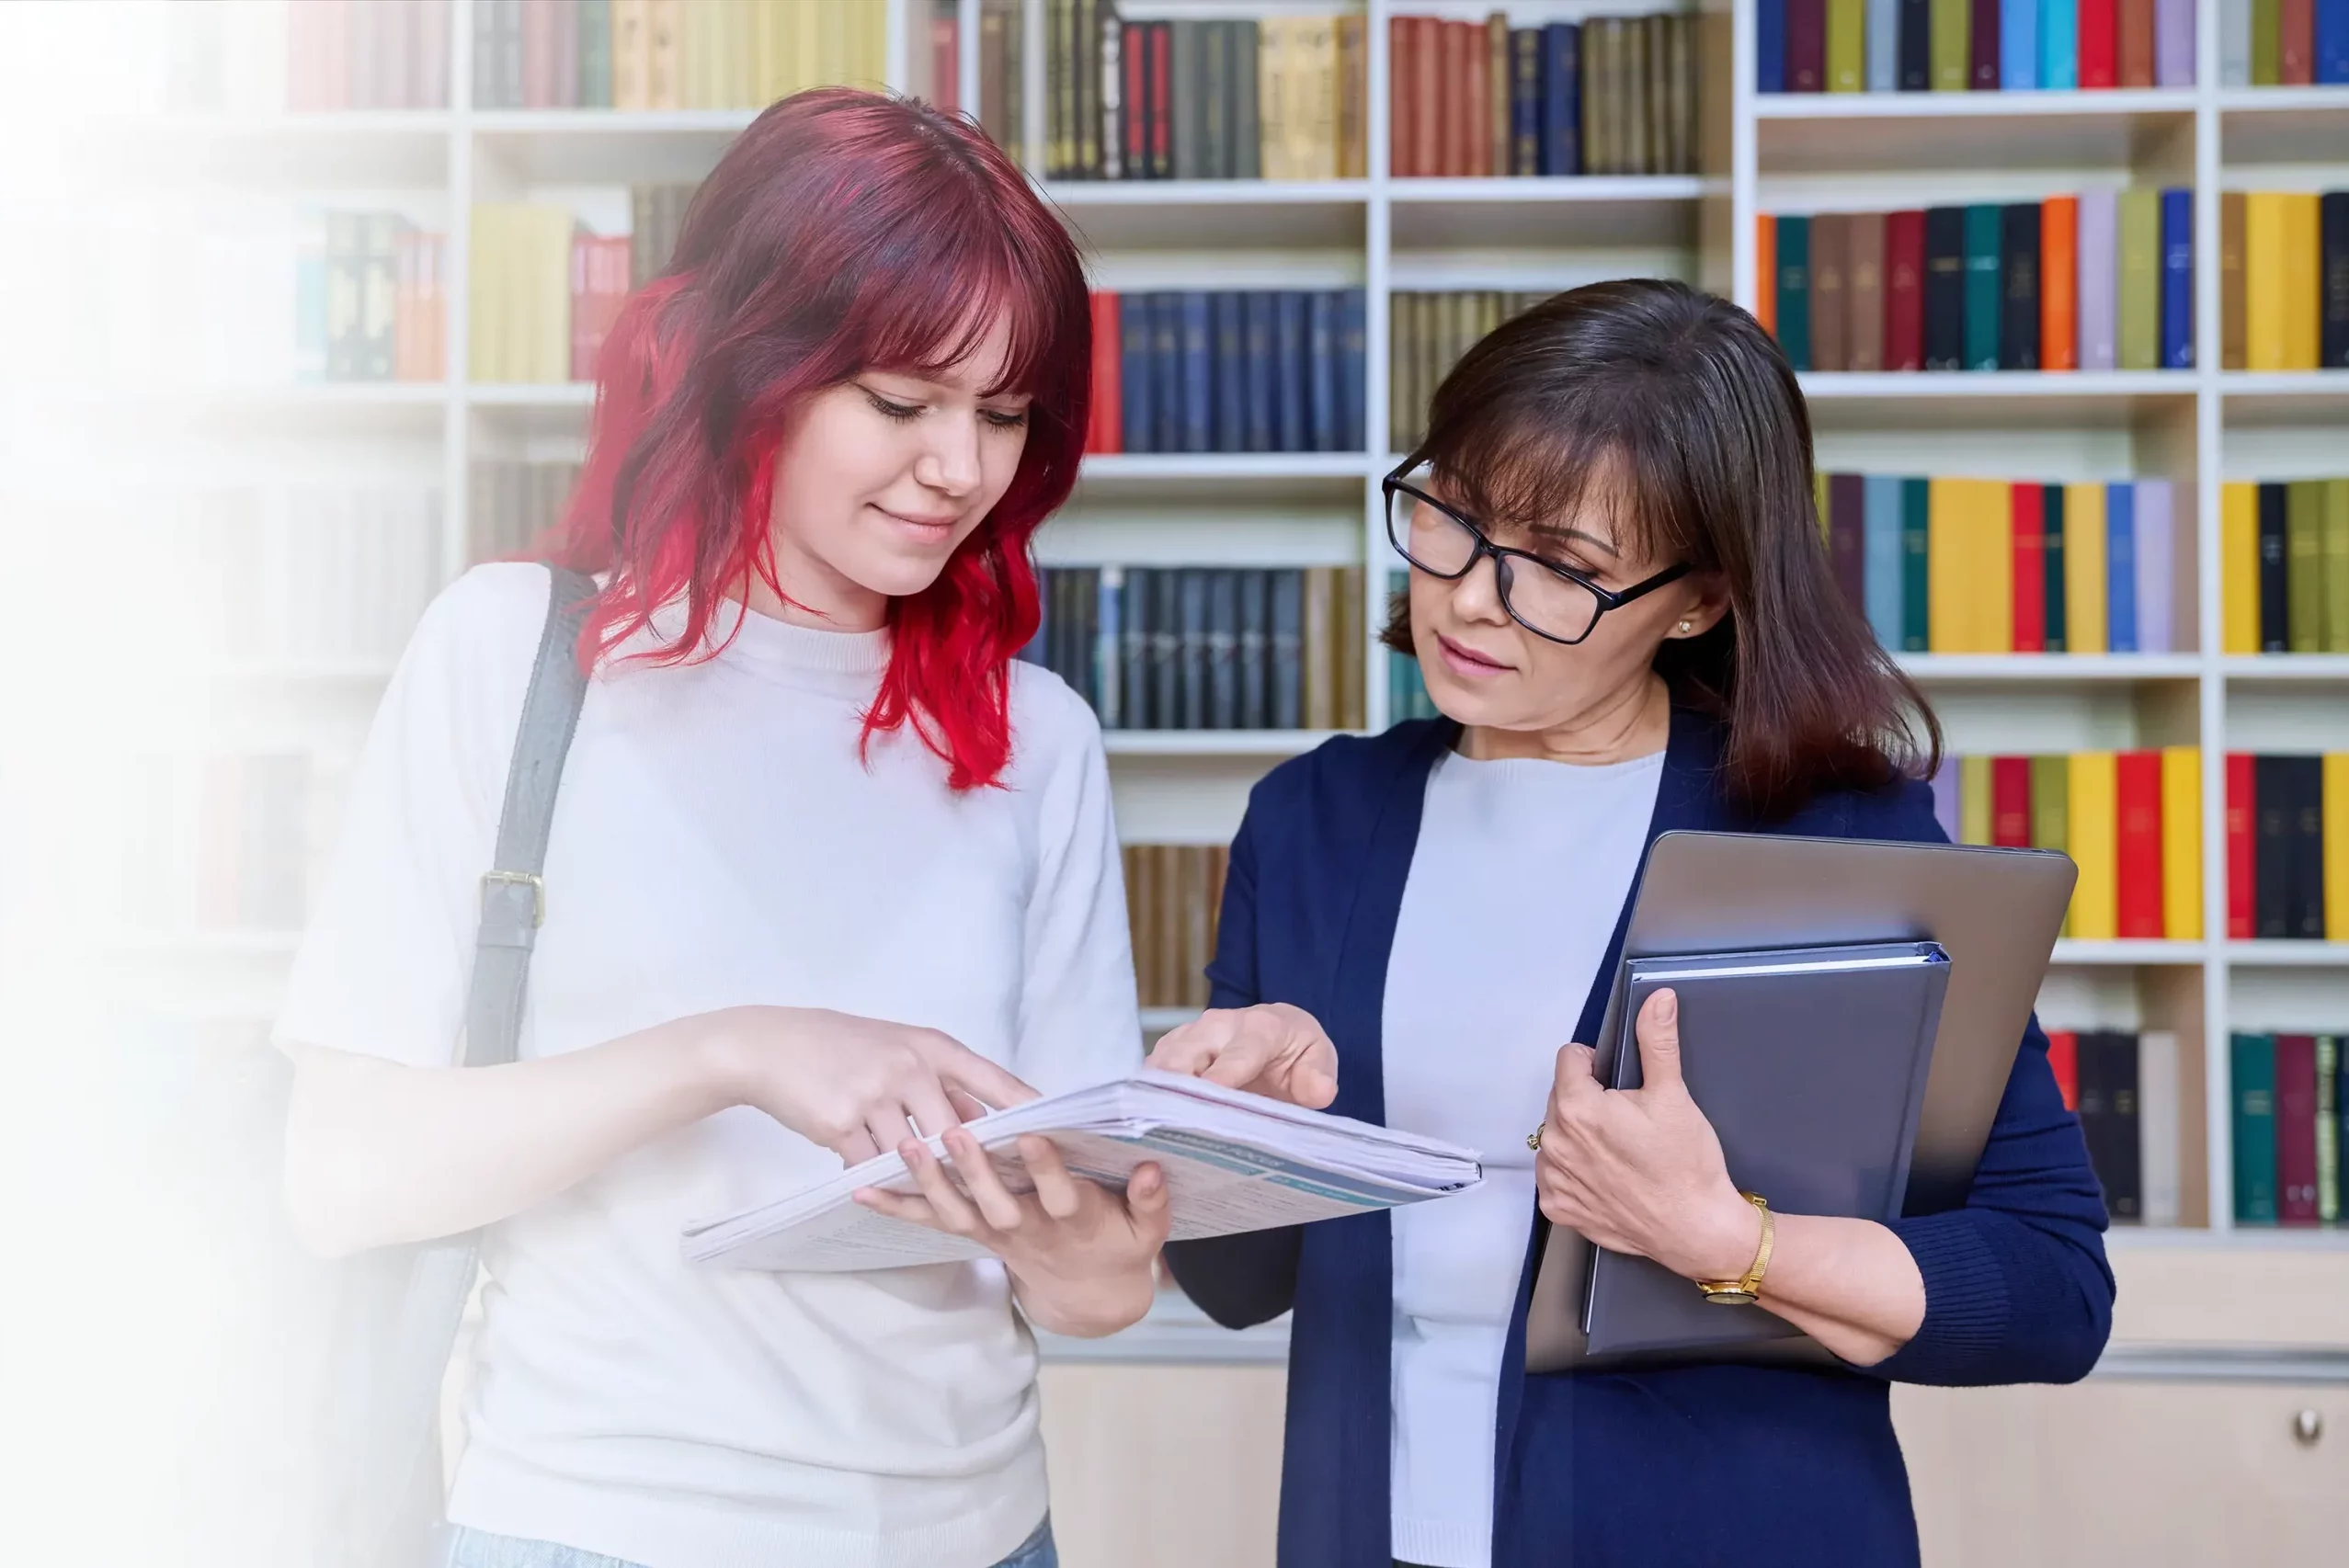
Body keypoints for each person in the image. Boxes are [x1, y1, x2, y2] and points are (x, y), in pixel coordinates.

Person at [276, 89, 1163, 1568]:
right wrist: (733, 1050)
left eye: (1004, 414)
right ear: (750, 368)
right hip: (596, 1524)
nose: (962, 467)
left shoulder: (1039, 741)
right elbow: (343, 1176)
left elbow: (1088, 1295)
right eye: (899, 401)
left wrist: (1094, 1245)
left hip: (976, 1528)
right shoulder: (515, 659)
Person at [1148, 278, 2115, 1568]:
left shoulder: (1833, 836)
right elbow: (1236, 1282)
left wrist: (1728, 1242)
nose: (1473, 598)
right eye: (1454, 516)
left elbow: (2051, 1289)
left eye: (1563, 569)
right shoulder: (1316, 817)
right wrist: (1232, 1133)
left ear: (1698, 599)